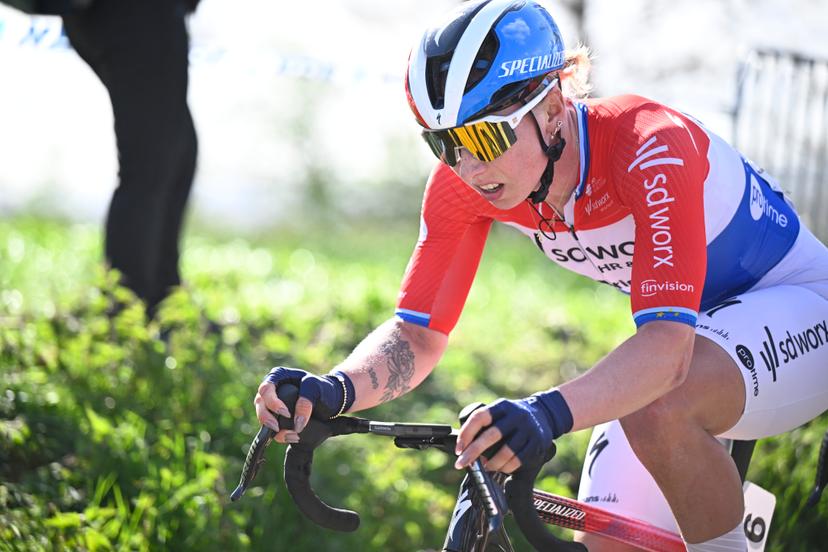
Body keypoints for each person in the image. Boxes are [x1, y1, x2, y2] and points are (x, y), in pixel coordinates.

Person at [254, 1, 828, 550]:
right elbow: (418, 334)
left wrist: (544, 413)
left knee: (658, 405)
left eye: (484, 136)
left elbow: (667, 351)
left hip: (797, 304)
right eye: (444, 143)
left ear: (553, 111)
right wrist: (336, 389)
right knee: (609, 541)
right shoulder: (466, 187)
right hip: (699, 335)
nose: (468, 167)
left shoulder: (648, 146)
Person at [59, 0, 199, 318]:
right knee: (152, 165)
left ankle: (162, 303)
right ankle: (128, 317)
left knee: (176, 152)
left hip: (136, 15)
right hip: (133, 13)